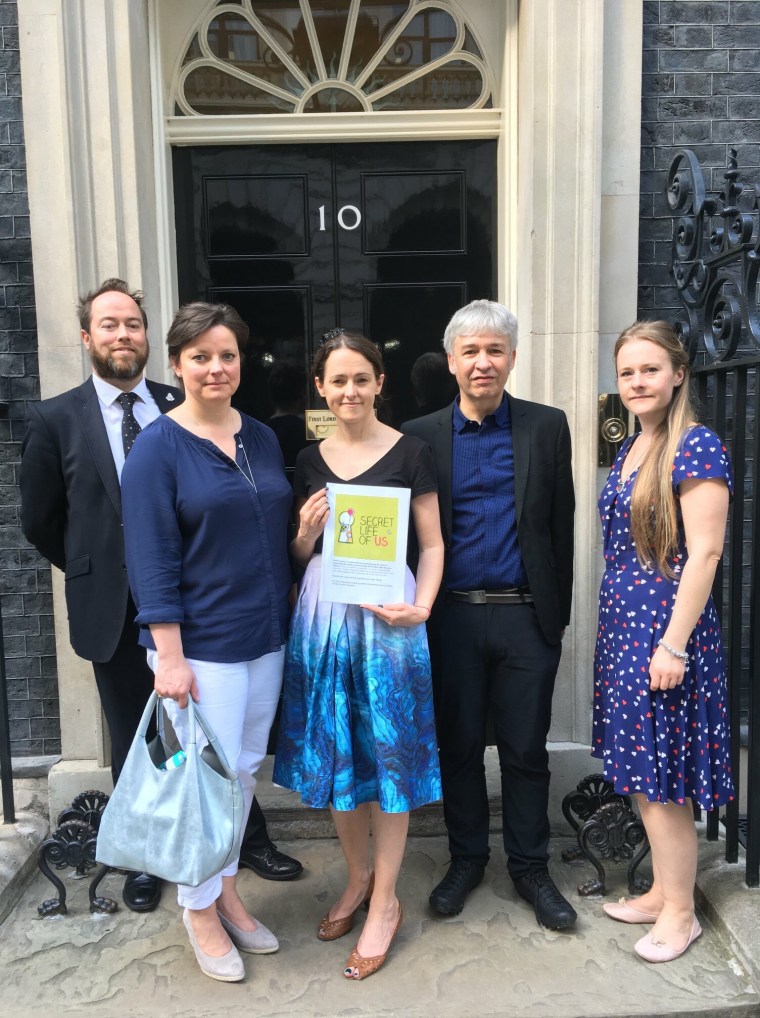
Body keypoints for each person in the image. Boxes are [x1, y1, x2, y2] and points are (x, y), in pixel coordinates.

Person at [121, 302, 293, 983]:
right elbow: (151, 558)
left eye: (227, 355)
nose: (216, 368)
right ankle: (196, 908)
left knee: (243, 772)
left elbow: (269, 534)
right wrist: (167, 656)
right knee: (201, 783)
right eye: (200, 357)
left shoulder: (261, 437)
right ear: (176, 364)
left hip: (264, 637)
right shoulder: (157, 448)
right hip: (199, 648)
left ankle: (224, 890)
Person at [273, 329, 444, 980]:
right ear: (320, 387)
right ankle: (358, 876)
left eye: (361, 379)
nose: (350, 390)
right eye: (337, 380)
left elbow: (432, 545)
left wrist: (422, 606)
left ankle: (386, 901)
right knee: (339, 752)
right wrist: (302, 535)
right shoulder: (307, 459)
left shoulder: (412, 452)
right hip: (323, 619)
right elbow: (300, 556)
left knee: (388, 758)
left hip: (388, 623)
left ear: (380, 383)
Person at [402, 299, 577, 930]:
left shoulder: (545, 426)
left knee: (527, 751)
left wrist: (554, 619)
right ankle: (467, 859)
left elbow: (561, 527)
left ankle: (530, 868)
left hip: (525, 617)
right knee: (458, 748)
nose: (483, 362)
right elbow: (406, 535)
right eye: (470, 351)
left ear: (512, 358)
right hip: (449, 619)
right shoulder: (418, 435)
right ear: (451, 361)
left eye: (494, 350)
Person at [19, 277, 178, 914]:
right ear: (87, 338)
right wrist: (95, 569)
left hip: (191, 601)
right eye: (109, 325)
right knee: (135, 735)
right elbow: (40, 521)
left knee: (209, 724)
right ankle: (143, 857)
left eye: (132, 324)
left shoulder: (179, 403)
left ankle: (239, 837)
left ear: (147, 336)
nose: (122, 335)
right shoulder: (55, 418)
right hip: (112, 608)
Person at [593, 321, 734, 963]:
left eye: (650, 369)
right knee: (641, 771)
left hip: (664, 632)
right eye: (627, 372)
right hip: (627, 628)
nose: (637, 382)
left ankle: (682, 913)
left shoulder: (695, 444)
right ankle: (661, 893)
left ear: (678, 373)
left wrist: (674, 646)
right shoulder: (634, 444)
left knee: (662, 779)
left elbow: (705, 554)